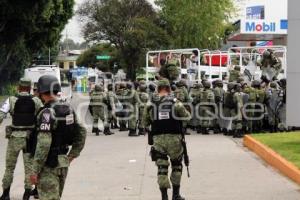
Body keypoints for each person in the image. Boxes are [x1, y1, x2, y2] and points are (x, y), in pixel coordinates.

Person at [29, 75, 86, 200]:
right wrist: (72, 154)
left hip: (48, 164)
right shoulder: (68, 108)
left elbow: (44, 143)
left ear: (41, 92)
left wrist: (34, 170)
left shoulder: (47, 113)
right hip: (63, 162)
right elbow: (82, 131)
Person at [143, 79, 191, 200]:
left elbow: (145, 122)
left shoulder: (150, 104)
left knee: (162, 169)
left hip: (158, 140)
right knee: (176, 166)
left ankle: (164, 197)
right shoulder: (176, 102)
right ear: (169, 89)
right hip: (175, 140)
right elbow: (187, 117)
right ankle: (176, 195)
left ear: (158, 89)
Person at [0, 78, 43, 200]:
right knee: (29, 167)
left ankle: (6, 194)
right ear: (30, 88)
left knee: (9, 167)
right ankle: (26, 194)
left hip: (14, 138)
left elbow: (1, 115)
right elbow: (43, 116)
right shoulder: (36, 101)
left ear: (18, 87)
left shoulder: (11, 100)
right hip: (29, 139)